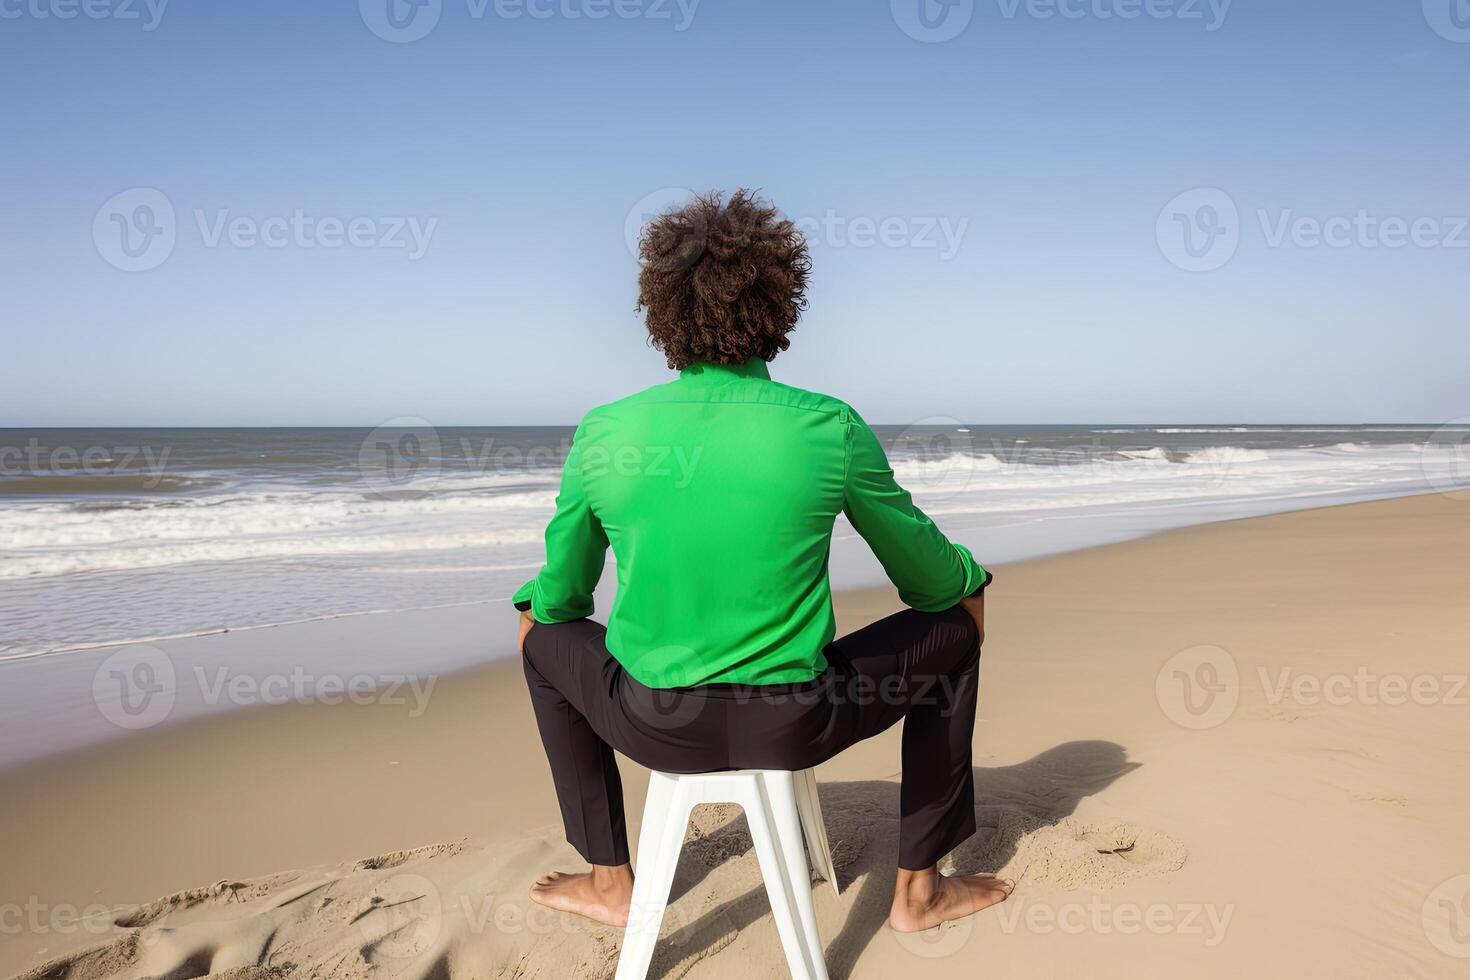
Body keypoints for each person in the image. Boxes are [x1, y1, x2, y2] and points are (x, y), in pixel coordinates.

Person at [513, 189, 1010, 934]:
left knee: (536, 637)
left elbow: (561, 600)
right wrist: (970, 578)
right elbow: (932, 582)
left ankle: (609, 879)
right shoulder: (827, 426)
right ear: (779, 304)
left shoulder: (607, 431)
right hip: (798, 719)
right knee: (961, 622)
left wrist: (540, 607)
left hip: (654, 721)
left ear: (662, 309)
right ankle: (919, 891)